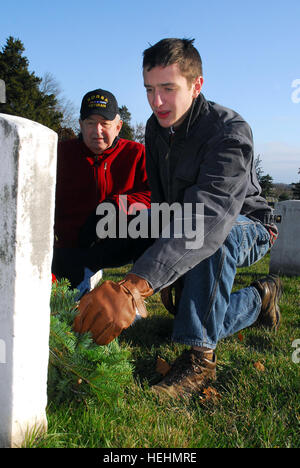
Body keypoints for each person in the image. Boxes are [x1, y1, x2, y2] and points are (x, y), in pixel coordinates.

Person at [73, 39, 282, 399]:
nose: (156, 102)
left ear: (196, 85)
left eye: (168, 89)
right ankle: (260, 298)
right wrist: (165, 272)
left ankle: (199, 363)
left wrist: (135, 287)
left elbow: (208, 219)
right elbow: (164, 203)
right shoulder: (156, 129)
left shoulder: (229, 132)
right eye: (149, 90)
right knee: (189, 316)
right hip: (191, 223)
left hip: (247, 224)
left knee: (219, 239)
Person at [52, 88, 152, 296]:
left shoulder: (137, 154)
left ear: (118, 126)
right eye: (90, 123)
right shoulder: (59, 154)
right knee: (68, 307)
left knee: (157, 221)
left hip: (119, 240)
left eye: (105, 124)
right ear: (80, 125)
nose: (97, 130)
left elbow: (157, 197)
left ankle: (133, 293)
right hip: (71, 247)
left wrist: (116, 206)